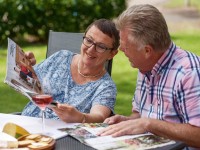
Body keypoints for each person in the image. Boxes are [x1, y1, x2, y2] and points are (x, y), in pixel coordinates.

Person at [98, 4, 200, 148]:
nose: (121, 50)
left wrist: (149, 124)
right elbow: (140, 115)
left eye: (126, 46)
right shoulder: (145, 65)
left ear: (147, 50)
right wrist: (129, 122)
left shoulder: (189, 73)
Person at [22, 19, 119, 123]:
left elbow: (99, 116)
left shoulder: (105, 86)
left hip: (61, 136)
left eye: (101, 46)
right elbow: (27, 82)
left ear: (112, 54)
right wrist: (26, 65)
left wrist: (81, 118)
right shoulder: (61, 57)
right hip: (28, 123)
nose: (90, 49)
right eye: (89, 40)